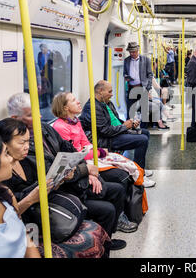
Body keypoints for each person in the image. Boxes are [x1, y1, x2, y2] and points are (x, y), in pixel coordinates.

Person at [7, 93, 129, 250]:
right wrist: (85, 170)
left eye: (37, 111)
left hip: (73, 180)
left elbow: (70, 149)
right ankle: (102, 244)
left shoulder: (44, 129)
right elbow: (53, 172)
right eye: (31, 115)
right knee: (108, 209)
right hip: (62, 189)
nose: (38, 116)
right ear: (16, 118)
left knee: (117, 189)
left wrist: (89, 171)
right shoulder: (21, 147)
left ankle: (106, 239)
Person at [0, 118, 113, 257]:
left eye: (27, 141)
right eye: (22, 142)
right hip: (30, 222)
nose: (27, 146)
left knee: (106, 205)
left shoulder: (28, 160)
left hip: (47, 208)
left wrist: (59, 180)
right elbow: (7, 216)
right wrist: (31, 198)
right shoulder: (0, 176)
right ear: (4, 145)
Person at [80, 81, 155, 187]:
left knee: (145, 133)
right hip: (105, 138)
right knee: (142, 140)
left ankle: (139, 168)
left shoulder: (107, 103)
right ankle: (139, 177)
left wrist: (130, 124)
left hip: (115, 132)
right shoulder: (92, 107)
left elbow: (115, 120)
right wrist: (125, 127)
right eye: (109, 91)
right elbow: (105, 131)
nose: (112, 94)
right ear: (100, 91)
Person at [123, 42, 153, 119]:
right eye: (130, 52)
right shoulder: (126, 61)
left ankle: (144, 129)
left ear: (138, 50)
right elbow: (124, 73)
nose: (132, 53)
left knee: (144, 110)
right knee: (130, 109)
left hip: (142, 87)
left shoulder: (146, 60)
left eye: (133, 52)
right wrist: (126, 76)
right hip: (131, 88)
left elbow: (150, 75)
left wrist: (148, 88)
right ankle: (130, 128)